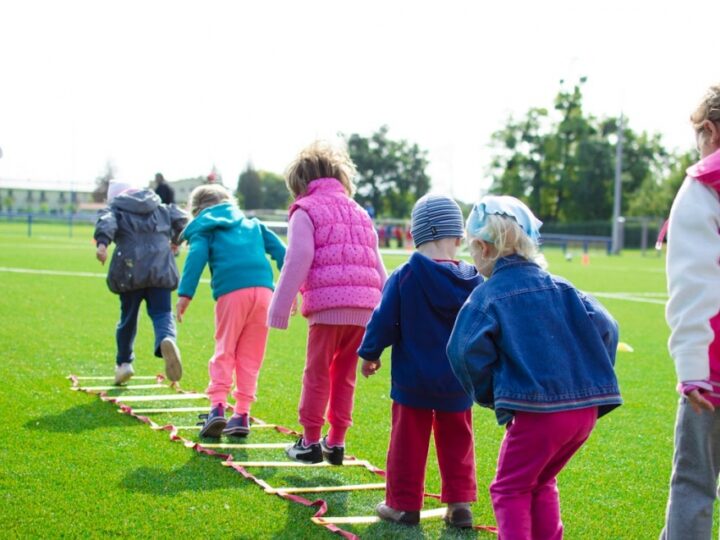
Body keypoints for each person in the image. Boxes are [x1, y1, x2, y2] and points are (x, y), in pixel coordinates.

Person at [447, 195, 622, 539]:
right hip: (583, 413)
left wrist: (490, 394)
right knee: (541, 481)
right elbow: (607, 326)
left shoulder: (487, 295)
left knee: (509, 488)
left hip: (537, 414)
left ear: (483, 247)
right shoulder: (565, 287)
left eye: (471, 249)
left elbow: (463, 351)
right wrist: (590, 375)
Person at [358, 194, 483, 528]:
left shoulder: (404, 276)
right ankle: (459, 505)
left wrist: (370, 353)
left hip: (412, 380)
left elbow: (383, 319)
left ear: (413, 235)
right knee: (458, 441)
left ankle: (403, 505)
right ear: (458, 238)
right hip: (458, 381)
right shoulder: (475, 280)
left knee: (407, 443)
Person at [268, 141, 387, 464]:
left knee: (317, 373)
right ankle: (336, 441)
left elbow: (299, 257)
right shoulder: (360, 212)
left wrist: (280, 305)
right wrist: (387, 314)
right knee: (344, 375)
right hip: (365, 308)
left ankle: (309, 442)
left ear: (300, 183)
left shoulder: (305, 210)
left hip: (327, 307)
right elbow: (378, 265)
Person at [176, 184, 286, 438]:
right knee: (251, 355)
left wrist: (185, 294)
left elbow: (196, 257)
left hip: (232, 292)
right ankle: (242, 414)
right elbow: (283, 253)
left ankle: (217, 408)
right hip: (264, 293)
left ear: (197, 210)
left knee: (225, 349)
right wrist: (291, 289)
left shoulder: (206, 228)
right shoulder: (253, 225)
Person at [661, 84, 720, 540]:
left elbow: (693, 284)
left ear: (710, 131)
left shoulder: (703, 186)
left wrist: (692, 368)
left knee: (694, 484)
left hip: (714, 373)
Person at [94, 179, 188, 385]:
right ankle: (167, 339)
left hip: (130, 270)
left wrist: (102, 244)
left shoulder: (116, 209)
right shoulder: (159, 206)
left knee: (128, 318)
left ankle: (124, 363)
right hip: (161, 268)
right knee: (162, 313)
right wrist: (176, 240)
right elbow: (182, 219)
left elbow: (106, 221)